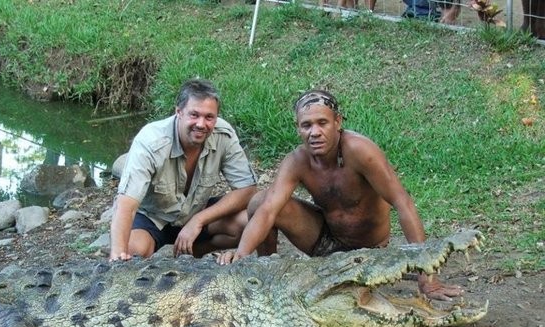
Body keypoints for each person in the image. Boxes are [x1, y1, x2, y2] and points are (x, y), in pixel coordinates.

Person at [217, 89, 463, 302]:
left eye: (322, 123)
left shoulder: (360, 151)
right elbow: (269, 209)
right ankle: (265, 274)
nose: (314, 132)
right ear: (298, 128)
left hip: (370, 251)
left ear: (337, 122)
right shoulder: (297, 161)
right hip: (326, 245)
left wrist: (426, 276)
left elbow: (403, 202)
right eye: (306, 125)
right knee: (260, 201)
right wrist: (241, 256)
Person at [109, 78, 257, 261]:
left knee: (250, 222)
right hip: (154, 218)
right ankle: (157, 254)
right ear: (179, 112)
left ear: (216, 117)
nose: (201, 124)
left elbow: (248, 189)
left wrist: (198, 220)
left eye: (209, 117)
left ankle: (190, 256)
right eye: (194, 115)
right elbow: (125, 205)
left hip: (196, 212)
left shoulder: (223, 134)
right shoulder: (150, 141)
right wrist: (117, 257)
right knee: (132, 252)